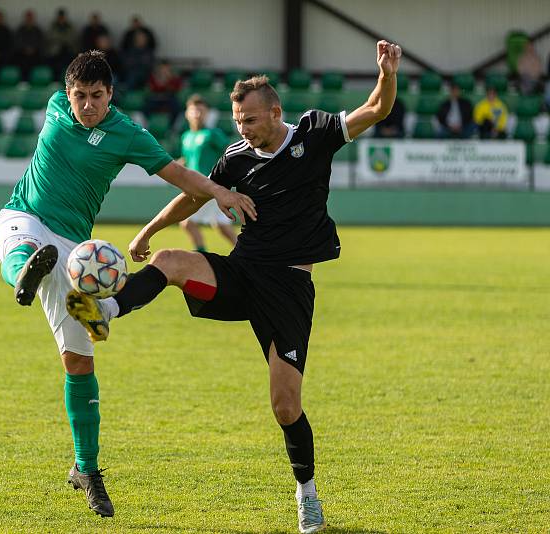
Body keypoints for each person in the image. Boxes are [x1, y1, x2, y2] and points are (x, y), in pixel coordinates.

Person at [67, 41, 402, 534]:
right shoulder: (236, 157)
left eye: (249, 120)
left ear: (275, 112)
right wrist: (147, 232)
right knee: (172, 260)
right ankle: (107, 310)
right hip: (243, 274)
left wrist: (387, 73)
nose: (242, 129)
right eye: (237, 121)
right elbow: (192, 193)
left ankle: (307, 494)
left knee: (286, 406)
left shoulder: (315, 131)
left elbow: (377, 108)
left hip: (289, 287)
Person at [0, 50, 255, 518]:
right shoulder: (55, 106)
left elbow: (178, 174)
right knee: (21, 246)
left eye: (96, 96)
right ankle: (24, 278)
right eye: (79, 96)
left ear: (110, 95)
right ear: (66, 93)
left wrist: (219, 192)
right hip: (25, 215)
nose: (86, 105)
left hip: (75, 250)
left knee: (78, 360)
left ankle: (85, 468)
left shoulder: (128, 135)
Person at [178, 94, 237, 252]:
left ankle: (201, 255)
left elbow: (229, 153)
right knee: (221, 224)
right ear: (187, 113)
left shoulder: (213, 134)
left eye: (201, 111)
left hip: (209, 185)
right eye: (194, 110)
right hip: (194, 186)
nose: (197, 114)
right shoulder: (186, 137)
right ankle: (249, 254)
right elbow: (188, 158)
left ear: (207, 114)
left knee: (187, 222)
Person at [144, 60, 183, 127]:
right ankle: (148, 124)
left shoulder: (174, 78)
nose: (164, 71)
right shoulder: (154, 77)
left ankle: (172, 126)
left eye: (166, 69)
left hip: (169, 98)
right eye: (162, 69)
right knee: (146, 107)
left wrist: (168, 80)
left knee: (176, 107)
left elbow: (175, 88)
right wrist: (160, 81)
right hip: (156, 98)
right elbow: (153, 88)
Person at [46, 8, 78, 79]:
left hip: (68, 49)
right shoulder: (53, 27)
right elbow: (51, 38)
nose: (61, 19)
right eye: (60, 17)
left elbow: (73, 38)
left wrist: (62, 40)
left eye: (62, 17)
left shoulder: (70, 27)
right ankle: (55, 79)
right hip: (55, 51)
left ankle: (70, 79)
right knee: (54, 62)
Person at [13, 9, 44, 78]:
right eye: (28, 17)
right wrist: (25, 49)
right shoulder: (20, 30)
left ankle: (35, 80)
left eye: (31, 17)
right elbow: (17, 42)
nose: (29, 19)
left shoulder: (37, 30)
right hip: (22, 53)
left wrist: (33, 49)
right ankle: (23, 80)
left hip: (35, 53)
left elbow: (40, 42)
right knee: (19, 60)